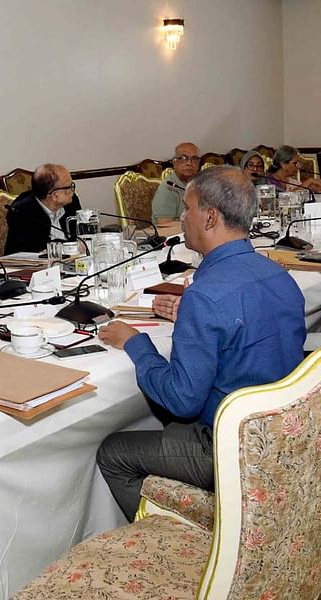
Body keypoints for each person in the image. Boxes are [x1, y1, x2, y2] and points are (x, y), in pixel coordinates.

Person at [96, 167, 306, 522]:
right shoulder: (278, 272)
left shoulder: (206, 296)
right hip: (283, 432)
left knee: (113, 452)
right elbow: (245, 325)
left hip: (231, 447)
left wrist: (136, 343)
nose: (181, 217)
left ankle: (181, 541)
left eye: (187, 208)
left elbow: (181, 400)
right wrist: (194, 320)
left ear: (209, 217)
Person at [4, 163, 82, 254]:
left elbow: (81, 235)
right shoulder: (22, 212)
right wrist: (71, 246)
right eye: (68, 187)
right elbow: (34, 248)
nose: (72, 191)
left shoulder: (72, 203)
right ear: (54, 195)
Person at [151, 142, 201, 224]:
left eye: (194, 159)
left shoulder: (201, 183)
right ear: (174, 163)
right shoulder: (168, 188)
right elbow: (164, 225)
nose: (189, 163)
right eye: (183, 158)